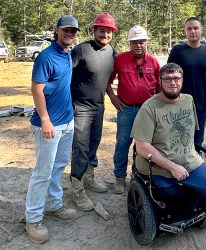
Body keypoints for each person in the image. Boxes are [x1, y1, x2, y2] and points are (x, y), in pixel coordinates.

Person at [25, 15, 79, 244]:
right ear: (57, 31)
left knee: (58, 167)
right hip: (49, 125)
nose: (70, 34)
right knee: (42, 172)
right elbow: (37, 89)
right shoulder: (46, 57)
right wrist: (46, 120)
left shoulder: (67, 54)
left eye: (74, 31)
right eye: (66, 30)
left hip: (67, 122)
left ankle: (55, 204)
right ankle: (33, 218)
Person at [132, 62, 206, 201]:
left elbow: (191, 132)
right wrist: (172, 167)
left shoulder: (188, 99)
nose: (173, 82)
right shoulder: (149, 107)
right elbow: (142, 146)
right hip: (159, 167)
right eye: (167, 79)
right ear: (160, 82)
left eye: (176, 78)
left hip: (189, 161)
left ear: (182, 81)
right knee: (174, 197)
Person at [70, 12, 118, 212]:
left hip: (99, 106)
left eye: (108, 31)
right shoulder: (81, 50)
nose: (104, 34)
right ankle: (77, 189)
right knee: (80, 148)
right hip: (80, 106)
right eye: (101, 30)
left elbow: (105, 80)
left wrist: (113, 97)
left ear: (112, 33)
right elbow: (65, 76)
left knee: (94, 142)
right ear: (94, 30)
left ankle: (89, 178)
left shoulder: (112, 52)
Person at [107, 25, 160, 194]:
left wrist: (157, 107)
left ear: (146, 43)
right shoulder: (120, 59)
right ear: (129, 43)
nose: (138, 45)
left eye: (142, 42)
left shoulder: (153, 62)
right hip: (126, 110)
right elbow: (107, 81)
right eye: (134, 42)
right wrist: (113, 98)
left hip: (147, 111)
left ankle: (138, 176)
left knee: (143, 146)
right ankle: (119, 178)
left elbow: (159, 86)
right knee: (123, 143)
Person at [167, 17, 206, 149]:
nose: (193, 31)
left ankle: (194, 169)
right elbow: (168, 77)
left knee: (197, 144)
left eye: (195, 28)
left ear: (201, 30)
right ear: (185, 31)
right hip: (179, 106)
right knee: (178, 142)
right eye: (189, 28)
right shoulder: (177, 50)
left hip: (201, 105)